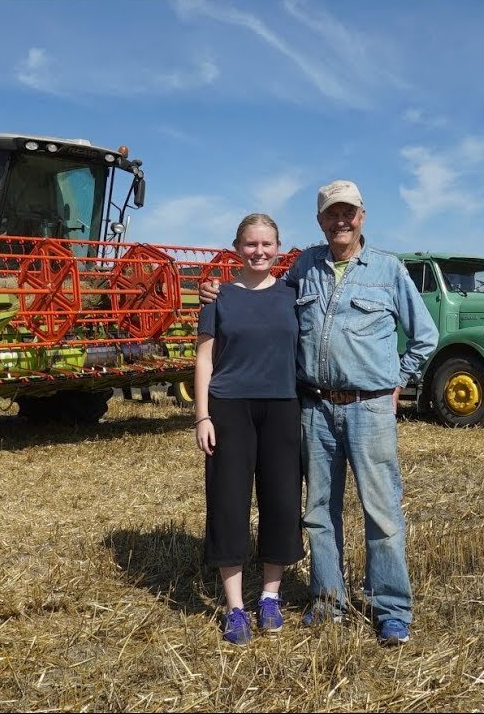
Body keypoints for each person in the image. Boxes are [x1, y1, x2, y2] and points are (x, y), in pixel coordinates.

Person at [200, 180, 438, 645]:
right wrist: (218, 291)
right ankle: (328, 602)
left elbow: (424, 336)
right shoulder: (305, 265)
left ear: (363, 216)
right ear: (320, 221)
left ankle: (391, 609)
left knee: (382, 512)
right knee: (317, 512)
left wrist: (397, 381)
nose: (341, 220)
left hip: (369, 408)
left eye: (348, 212)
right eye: (332, 214)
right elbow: (261, 299)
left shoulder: (388, 270)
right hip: (314, 407)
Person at [194, 212, 305, 646]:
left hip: (282, 406)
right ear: (236, 248)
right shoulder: (217, 298)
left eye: (266, 244)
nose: (259, 252)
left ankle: (271, 596)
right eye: (250, 244)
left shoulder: (293, 294)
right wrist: (201, 415)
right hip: (229, 408)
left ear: (278, 248)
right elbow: (204, 359)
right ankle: (236, 607)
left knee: (281, 499)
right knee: (228, 500)